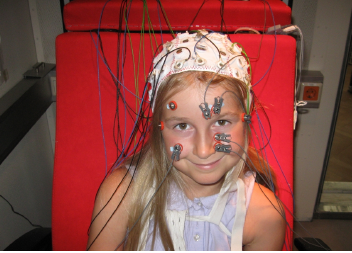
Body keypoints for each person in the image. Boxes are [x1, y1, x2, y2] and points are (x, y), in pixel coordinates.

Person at [86, 30, 286, 251]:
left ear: (245, 119)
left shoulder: (264, 214)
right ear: (159, 129)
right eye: (182, 126)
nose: (203, 150)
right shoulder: (122, 194)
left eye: (221, 122)